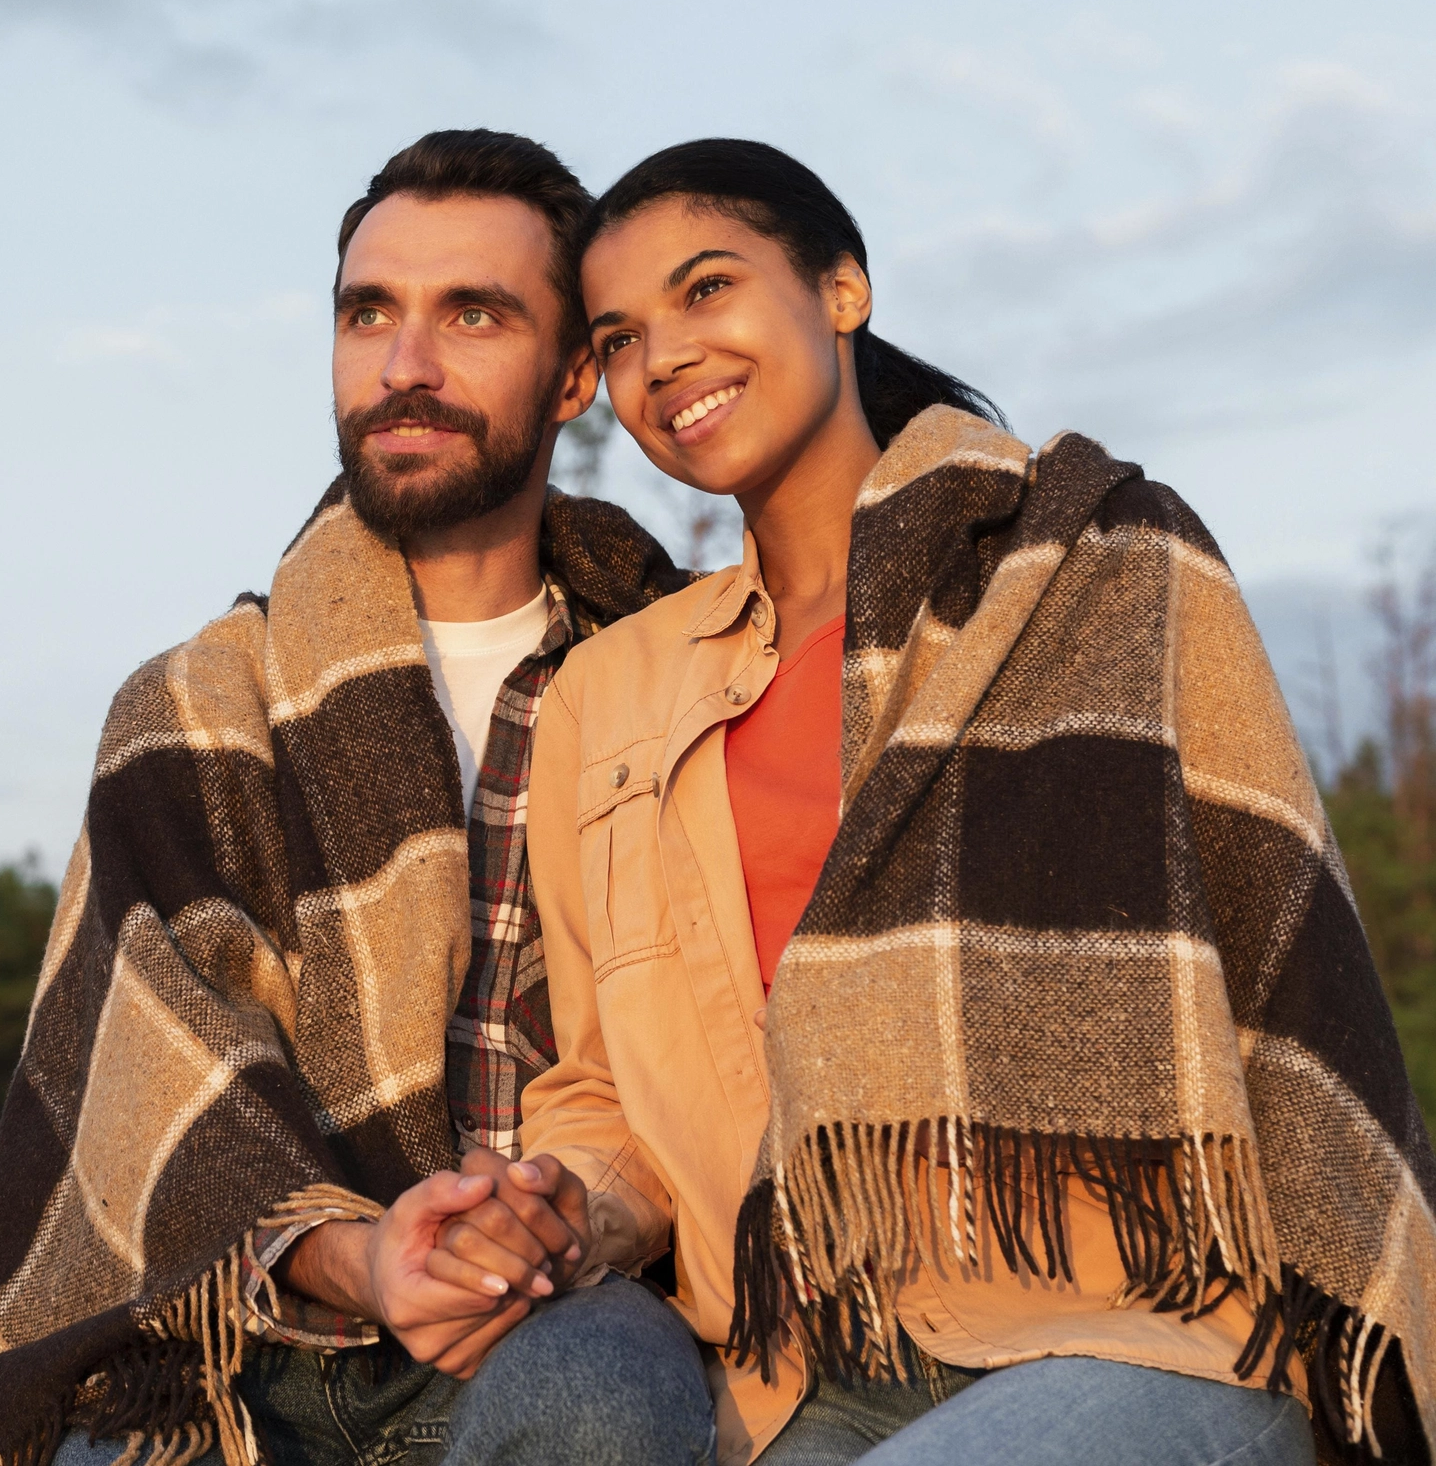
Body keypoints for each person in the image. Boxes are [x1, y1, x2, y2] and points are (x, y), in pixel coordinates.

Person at [431, 138, 1434, 1466]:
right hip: (790, 1366)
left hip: (1133, 1332)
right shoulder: (605, 697)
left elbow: (1279, 954)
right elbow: (599, 1091)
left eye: (708, 289)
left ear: (842, 288)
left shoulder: (1094, 563)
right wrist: (559, 1205)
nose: (663, 356)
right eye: (619, 337)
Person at [0, 130, 713, 1466]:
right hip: (255, 1349)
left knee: (600, 1403)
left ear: (577, 371)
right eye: (369, 315)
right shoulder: (195, 706)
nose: (407, 366)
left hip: (577, 1302)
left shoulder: (675, 678)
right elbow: (159, 1078)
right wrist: (361, 1254)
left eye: (473, 314)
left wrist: (538, 1225)